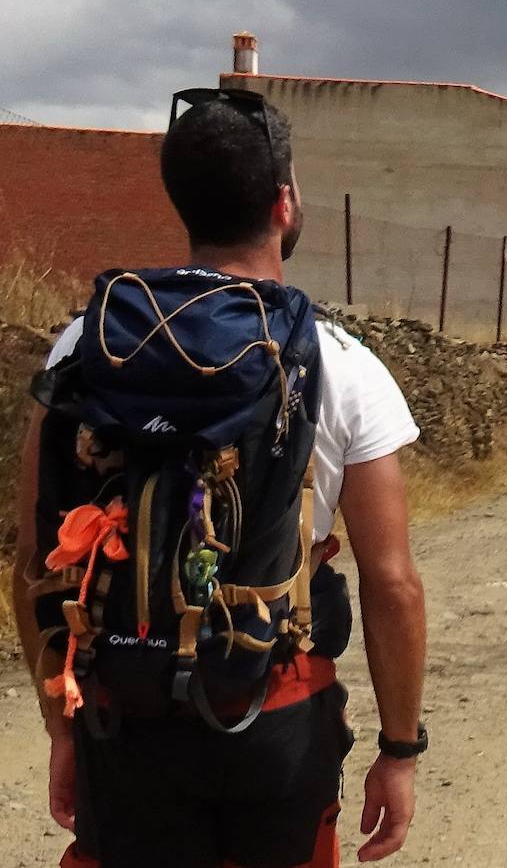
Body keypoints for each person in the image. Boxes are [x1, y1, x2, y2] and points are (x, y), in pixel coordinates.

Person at [10, 89, 428, 867]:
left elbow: (36, 553)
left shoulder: (86, 342)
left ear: (183, 202)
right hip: (275, 715)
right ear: (283, 200)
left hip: (122, 720)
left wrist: (63, 726)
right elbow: (393, 581)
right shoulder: (338, 361)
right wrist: (400, 750)